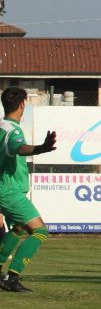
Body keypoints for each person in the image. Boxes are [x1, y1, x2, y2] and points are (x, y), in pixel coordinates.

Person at [0, 86, 57, 292]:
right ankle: (12, 277)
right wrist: (41, 148)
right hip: (9, 191)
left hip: (7, 189)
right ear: (22, 104)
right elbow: (18, 148)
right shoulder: (13, 131)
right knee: (40, 231)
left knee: (18, 229)